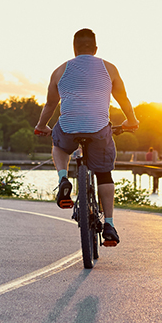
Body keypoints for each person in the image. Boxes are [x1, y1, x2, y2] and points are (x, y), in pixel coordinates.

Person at [33, 28, 139, 246]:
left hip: (69, 128)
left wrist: (41, 125)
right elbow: (123, 98)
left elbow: (50, 104)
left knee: (58, 145)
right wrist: (131, 120)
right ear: (96, 48)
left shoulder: (60, 70)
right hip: (99, 129)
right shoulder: (109, 68)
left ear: (74, 49)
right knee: (104, 174)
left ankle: (63, 179)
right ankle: (108, 224)